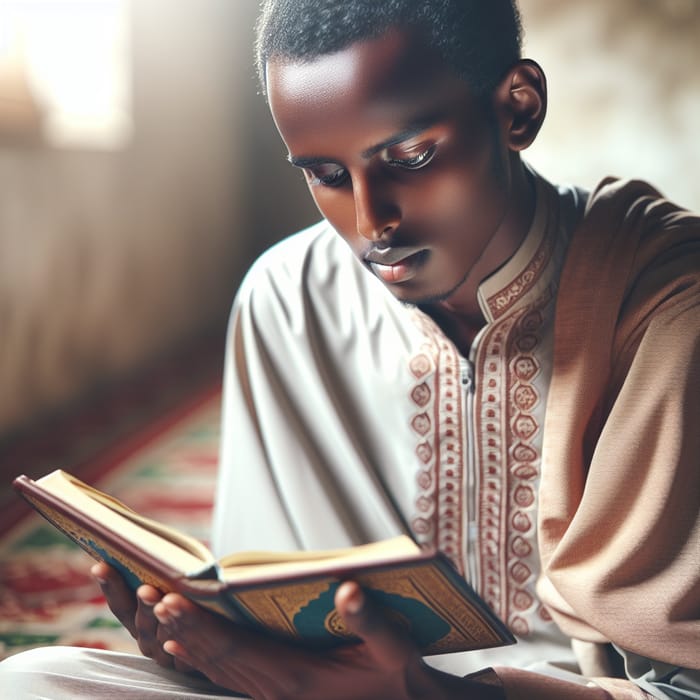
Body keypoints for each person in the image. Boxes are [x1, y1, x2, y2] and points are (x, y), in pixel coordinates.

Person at [1, 1, 698, 698]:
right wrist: (203, 643)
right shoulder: (288, 294)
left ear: (518, 108)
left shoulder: (669, 301)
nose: (372, 223)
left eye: (410, 156)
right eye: (327, 175)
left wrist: (425, 692)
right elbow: (272, 623)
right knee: (30, 682)